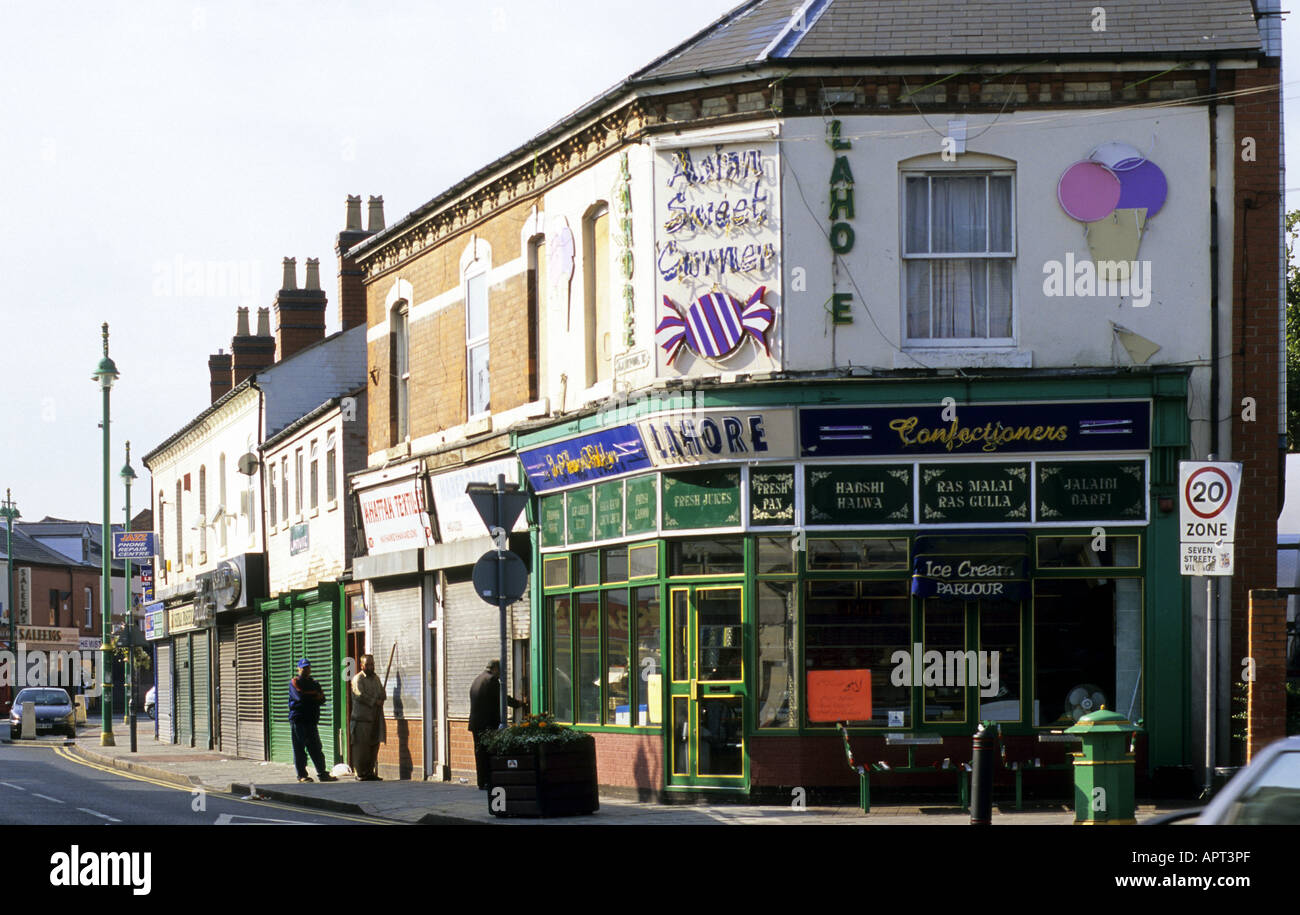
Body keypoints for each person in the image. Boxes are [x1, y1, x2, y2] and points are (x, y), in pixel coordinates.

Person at [467, 659, 525, 789]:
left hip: (476, 723)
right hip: (487, 724)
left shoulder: (478, 679)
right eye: (501, 670)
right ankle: (488, 781)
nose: (501, 674)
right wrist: (518, 704)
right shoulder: (492, 681)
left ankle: (481, 781)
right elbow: (502, 697)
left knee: (479, 752)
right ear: (495, 669)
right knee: (489, 752)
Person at [289, 659, 337, 783]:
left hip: (311, 720)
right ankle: (302, 775)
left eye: (308, 667)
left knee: (316, 748)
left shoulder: (315, 683)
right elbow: (299, 697)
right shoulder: (294, 682)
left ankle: (322, 773)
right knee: (299, 749)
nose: (306, 670)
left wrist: (309, 695)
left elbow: (322, 699)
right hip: (298, 720)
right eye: (303, 668)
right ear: (298, 669)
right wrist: (314, 695)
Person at [349, 654, 387, 781]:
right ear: (362, 665)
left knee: (373, 745)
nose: (371, 667)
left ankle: (370, 771)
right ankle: (360, 772)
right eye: (368, 665)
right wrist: (374, 701)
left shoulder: (376, 678)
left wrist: (382, 697)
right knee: (361, 747)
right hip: (362, 719)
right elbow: (360, 695)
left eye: (372, 664)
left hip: (375, 717)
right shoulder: (357, 679)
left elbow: (382, 692)